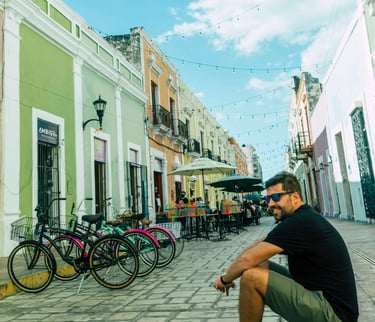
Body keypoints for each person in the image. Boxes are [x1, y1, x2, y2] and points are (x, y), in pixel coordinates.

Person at [213, 171, 358, 322]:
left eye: (276, 197)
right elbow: (253, 250)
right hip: (317, 295)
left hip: (334, 314)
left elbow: (247, 259)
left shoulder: (300, 222)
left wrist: (224, 280)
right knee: (259, 262)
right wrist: (230, 273)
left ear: (294, 197)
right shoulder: (300, 218)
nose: (270, 204)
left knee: (252, 277)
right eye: (268, 198)